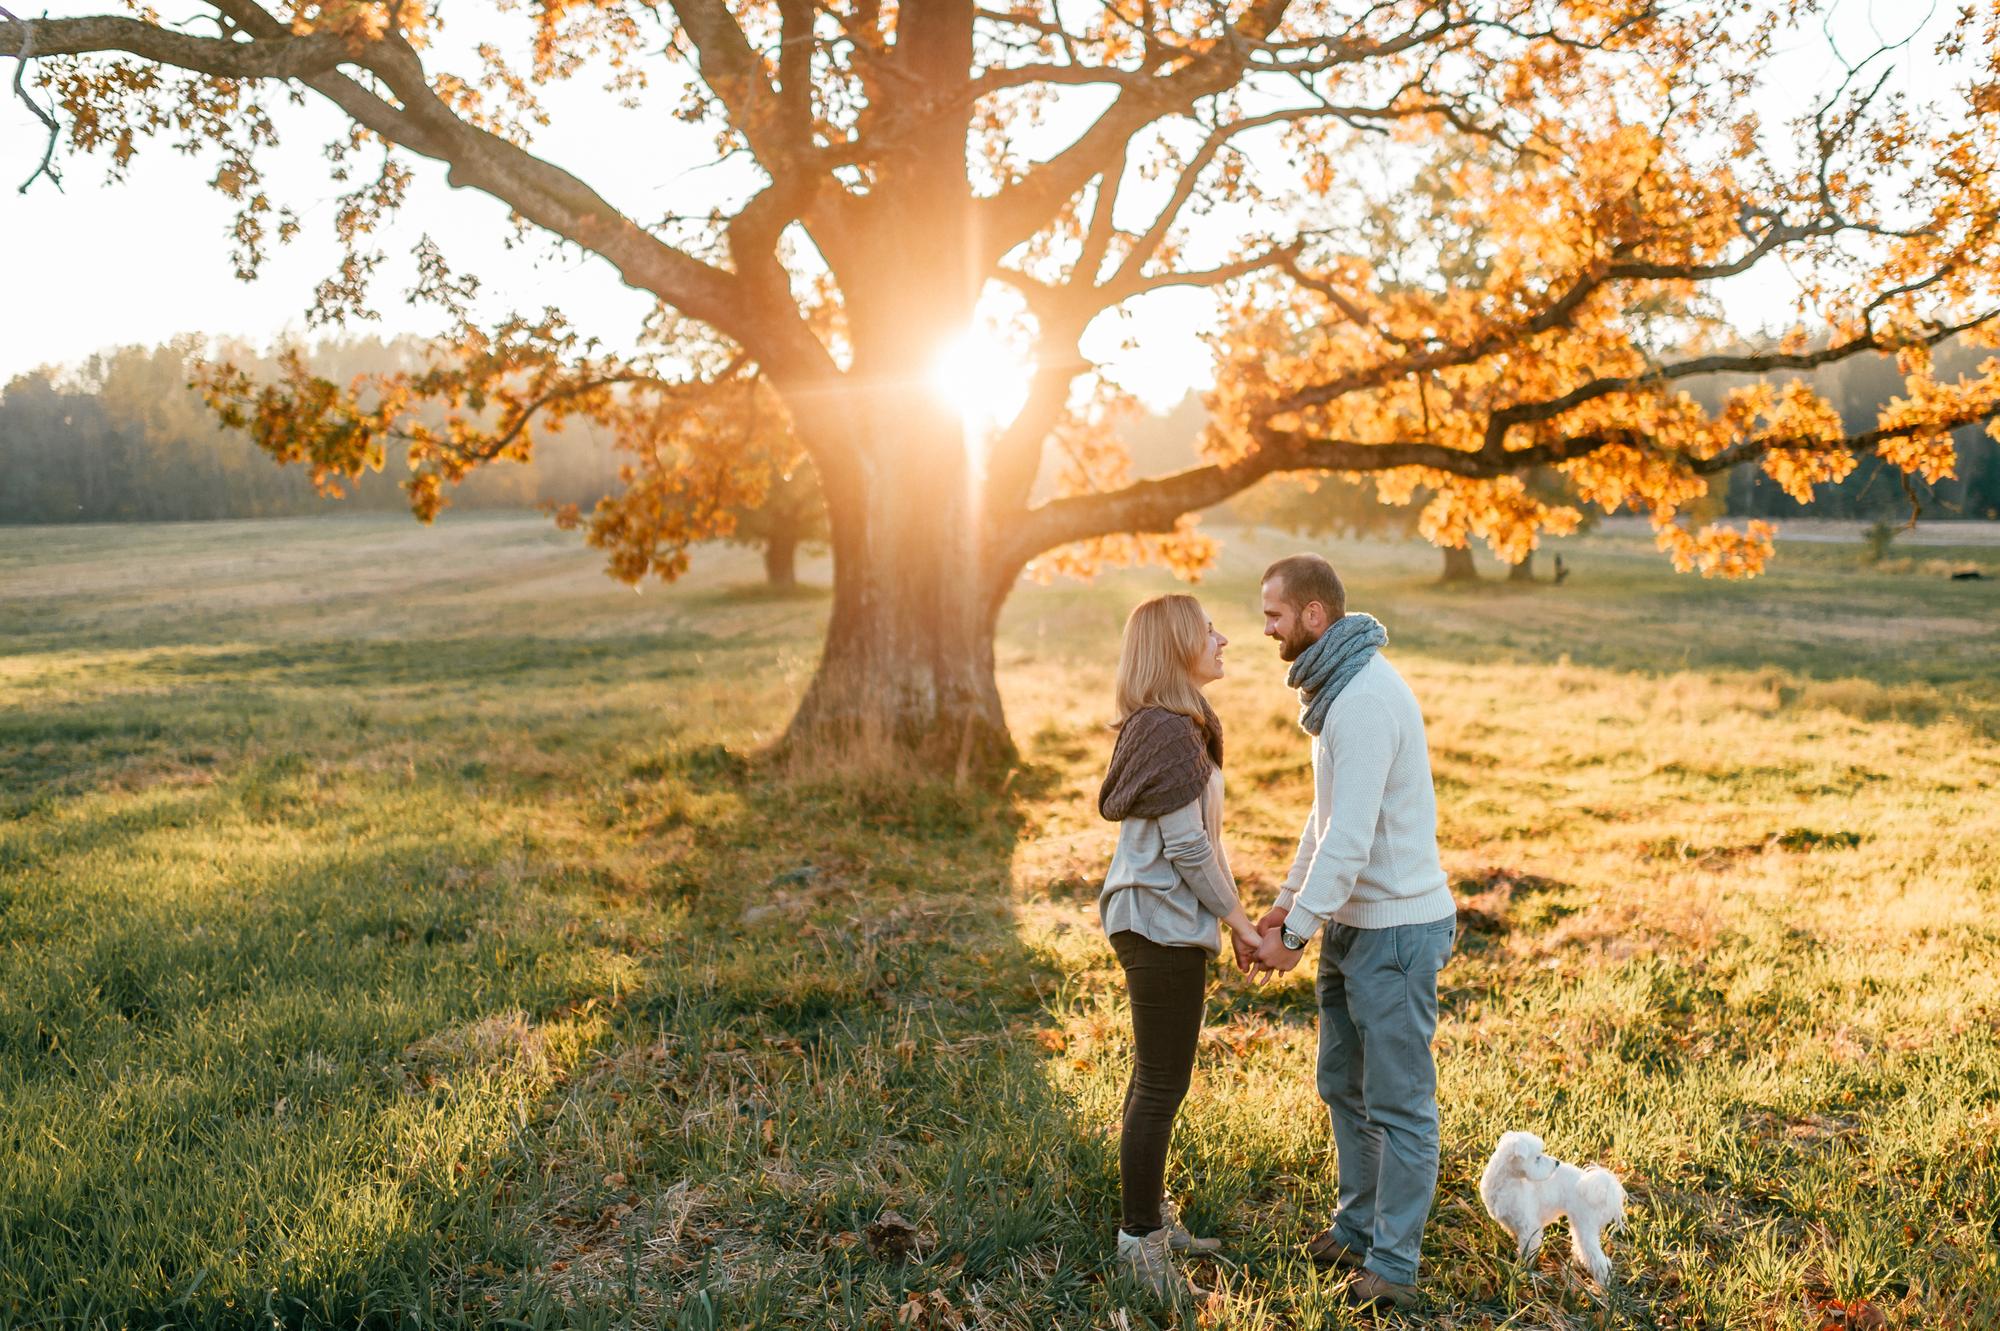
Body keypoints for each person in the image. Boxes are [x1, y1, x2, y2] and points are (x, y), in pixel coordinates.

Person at [1250, 553, 1459, 1313]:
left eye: (1274, 614)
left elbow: (1354, 838)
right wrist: (1287, 904)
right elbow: (1324, 821)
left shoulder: (1364, 697)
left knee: (1401, 1104)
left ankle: (1394, 1265)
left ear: (1313, 616)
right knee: (1343, 1082)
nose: (1265, 627)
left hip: (1396, 932)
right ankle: (1357, 1225)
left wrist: (1295, 932)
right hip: (1351, 924)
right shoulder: (1335, 691)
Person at [1096, 593, 1265, 1298]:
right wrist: (1240, 921)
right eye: (1208, 632)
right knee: (1161, 1085)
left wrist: (1236, 915)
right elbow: (1189, 845)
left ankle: (1150, 1222)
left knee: (1155, 1079)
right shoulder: (1169, 729)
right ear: (1175, 648)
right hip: (1159, 920)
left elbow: (1201, 843)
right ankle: (1139, 1246)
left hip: (1161, 917)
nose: (1224, 639)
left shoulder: (1174, 723)